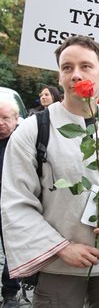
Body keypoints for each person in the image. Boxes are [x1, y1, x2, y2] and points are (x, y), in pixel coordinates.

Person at [1, 35, 99, 307]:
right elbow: (16, 202)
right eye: (67, 67)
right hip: (59, 268)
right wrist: (63, 248)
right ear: (59, 77)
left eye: (86, 66)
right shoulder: (33, 130)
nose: (76, 74)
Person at [0, 98, 22, 308]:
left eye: (5, 118)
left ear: (16, 119)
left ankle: (10, 293)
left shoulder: (22, 143)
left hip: (11, 205)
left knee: (11, 250)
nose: (0, 122)